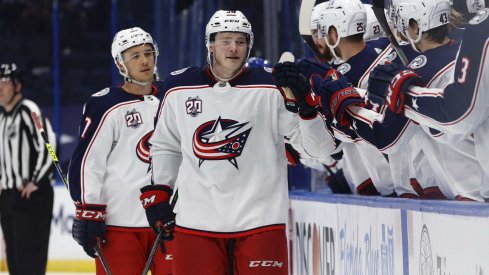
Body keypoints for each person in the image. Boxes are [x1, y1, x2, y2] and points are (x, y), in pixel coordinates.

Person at [139, 10, 335, 275]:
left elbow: (319, 150)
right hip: (197, 224)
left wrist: (306, 107)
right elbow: (166, 145)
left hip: (261, 224)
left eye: (241, 41)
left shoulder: (272, 86)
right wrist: (160, 191)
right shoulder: (179, 87)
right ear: (210, 44)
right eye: (226, 40)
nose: (233, 48)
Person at [67, 27, 173, 274]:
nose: (145, 60)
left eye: (148, 53)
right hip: (119, 226)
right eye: (134, 56)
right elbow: (87, 163)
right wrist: (89, 212)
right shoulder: (105, 105)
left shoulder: (172, 98)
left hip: (168, 221)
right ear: (119, 63)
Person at [366, 7, 489, 200]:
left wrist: (349, 105)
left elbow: (389, 139)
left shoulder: (419, 72)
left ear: (415, 27)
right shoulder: (468, 45)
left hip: (470, 197)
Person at [0, 62, 55, 275]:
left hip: (31, 196)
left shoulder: (29, 110)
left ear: (18, 86)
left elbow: (49, 146)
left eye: (4, 83)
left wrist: (37, 181)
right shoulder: (2, 117)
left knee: (29, 263)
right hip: (8, 196)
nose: (0, 88)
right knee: (14, 263)